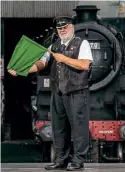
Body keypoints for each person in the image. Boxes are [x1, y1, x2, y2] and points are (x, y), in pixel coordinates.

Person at [8, 16, 93, 171]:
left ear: (71, 27)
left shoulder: (82, 43)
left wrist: (64, 58)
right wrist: (22, 71)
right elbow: (42, 63)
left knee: (79, 127)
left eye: (65, 27)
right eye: (60, 28)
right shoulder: (54, 45)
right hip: (58, 91)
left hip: (77, 91)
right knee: (58, 127)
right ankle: (61, 159)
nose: (62, 30)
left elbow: (85, 64)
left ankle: (78, 160)